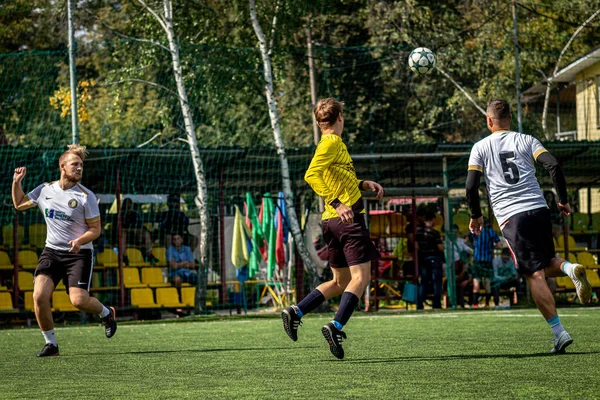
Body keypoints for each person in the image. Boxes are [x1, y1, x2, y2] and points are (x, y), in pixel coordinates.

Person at [466, 99, 591, 353]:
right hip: (539, 210)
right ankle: (570, 268)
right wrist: (563, 200)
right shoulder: (527, 140)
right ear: (510, 118)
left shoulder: (480, 147)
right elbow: (553, 165)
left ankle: (559, 332)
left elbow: (471, 186)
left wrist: (476, 216)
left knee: (533, 274)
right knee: (545, 263)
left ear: (489, 121)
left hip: (513, 218)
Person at [281, 98, 384, 359]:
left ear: (318, 123)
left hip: (331, 222)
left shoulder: (328, 144)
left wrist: (362, 184)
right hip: (346, 220)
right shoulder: (333, 142)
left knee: (340, 281)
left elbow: (335, 176)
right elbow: (311, 174)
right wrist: (338, 203)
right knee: (362, 278)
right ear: (340, 117)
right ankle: (335, 326)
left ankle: (297, 311)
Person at [11, 144, 117, 357]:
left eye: (81, 165)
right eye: (75, 164)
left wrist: (79, 240)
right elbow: (19, 203)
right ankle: (51, 344)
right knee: (39, 296)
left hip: (79, 254)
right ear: (62, 166)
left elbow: (95, 229)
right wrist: (16, 183)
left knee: (78, 301)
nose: (79, 169)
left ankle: (106, 314)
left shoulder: (86, 196)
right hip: (52, 252)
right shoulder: (44, 190)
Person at [410, 212, 444, 309]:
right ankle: (436, 303)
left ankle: (420, 303)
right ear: (433, 220)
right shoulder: (435, 233)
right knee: (436, 282)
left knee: (424, 281)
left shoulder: (419, 233)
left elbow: (416, 246)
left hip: (424, 258)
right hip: (434, 257)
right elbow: (441, 247)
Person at [468, 218, 501, 307]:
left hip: (477, 260)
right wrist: (491, 248)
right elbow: (499, 245)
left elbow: (466, 241)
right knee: (488, 282)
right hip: (488, 260)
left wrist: (474, 248)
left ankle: (475, 304)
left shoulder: (475, 230)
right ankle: (487, 303)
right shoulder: (492, 232)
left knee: (476, 282)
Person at [121, 197, 158, 264]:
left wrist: (132, 230)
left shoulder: (136, 214)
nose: (128, 206)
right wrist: (130, 230)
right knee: (123, 233)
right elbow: (121, 228)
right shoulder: (121, 215)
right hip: (126, 237)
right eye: (127, 205)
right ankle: (124, 256)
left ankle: (149, 255)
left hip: (137, 236)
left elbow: (139, 227)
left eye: (130, 204)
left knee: (146, 233)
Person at [446, 224, 473, 308]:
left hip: (460, 266)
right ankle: (452, 302)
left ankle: (470, 303)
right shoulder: (447, 242)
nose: (454, 233)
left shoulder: (460, 241)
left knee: (467, 283)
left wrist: (467, 256)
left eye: (456, 232)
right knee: (454, 284)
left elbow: (469, 250)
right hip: (450, 266)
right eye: (452, 232)